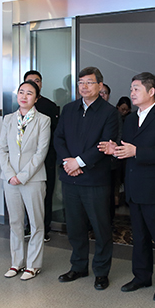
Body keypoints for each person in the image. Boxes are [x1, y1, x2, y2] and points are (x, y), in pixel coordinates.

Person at [99, 72, 155, 302]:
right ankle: (141, 276)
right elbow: (127, 150)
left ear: (151, 91)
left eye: (136, 89)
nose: (132, 93)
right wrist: (115, 150)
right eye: (131, 89)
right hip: (134, 187)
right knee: (140, 237)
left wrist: (137, 151)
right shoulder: (131, 119)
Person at [54, 67, 119, 290]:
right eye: (81, 82)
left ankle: (101, 271)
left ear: (100, 86)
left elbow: (104, 145)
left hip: (95, 180)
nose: (84, 86)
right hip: (70, 178)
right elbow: (58, 138)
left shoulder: (109, 112)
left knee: (101, 228)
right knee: (75, 227)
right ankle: (78, 266)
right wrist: (68, 162)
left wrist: (79, 162)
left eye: (89, 82)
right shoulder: (69, 109)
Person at [0, 80, 50, 280]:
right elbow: (2, 149)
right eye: (21, 92)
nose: (24, 96)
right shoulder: (9, 119)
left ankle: (33, 264)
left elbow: (41, 152)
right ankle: (16, 262)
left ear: (36, 98)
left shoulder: (43, 120)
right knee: (15, 222)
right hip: (10, 179)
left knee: (36, 223)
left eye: (29, 93)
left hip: (33, 179)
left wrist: (22, 176)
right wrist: (10, 174)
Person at [24, 70, 60, 243]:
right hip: (25, 160)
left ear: (41, 84)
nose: (33, 83)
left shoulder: (50, 106)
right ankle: (28, 227)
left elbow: (56, 134)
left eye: (37, 81)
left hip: (46, 158)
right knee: (26, 193)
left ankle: (44, 228)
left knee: (45, 194)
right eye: (29, 81)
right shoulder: (21, 106)